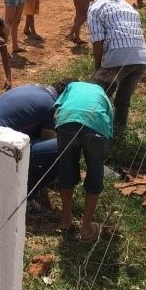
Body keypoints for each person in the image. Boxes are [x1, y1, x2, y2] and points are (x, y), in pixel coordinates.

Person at [0, 81, 72, 213]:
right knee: (63, 147)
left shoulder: (32, 89)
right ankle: (25, 198)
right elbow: (49, 140)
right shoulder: (50, 105)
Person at [88, 0, 146, 134]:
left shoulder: (96, 7)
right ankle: (119, 130)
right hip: (141, 56)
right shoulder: (126, 5)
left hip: (119, 54)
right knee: (123, 98)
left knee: (95, 94)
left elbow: (98, 41)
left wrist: (98, 67)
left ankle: (94, 132)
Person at [55, 81, 114, 241]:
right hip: (96, 126)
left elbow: (58, 105)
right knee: (95, 172)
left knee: (66, 170)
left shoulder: (72, 85)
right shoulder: (104, 97)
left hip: (66, 121)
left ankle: (65, 220)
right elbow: (108, 129)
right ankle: (86, 228)